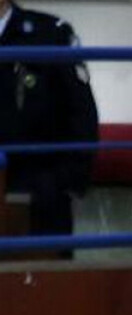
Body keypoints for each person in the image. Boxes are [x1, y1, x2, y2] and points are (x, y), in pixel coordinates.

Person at [0, 0, 99, 258]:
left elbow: (81, 114)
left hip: (38, 192)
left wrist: (61, 183)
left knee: (46, 278)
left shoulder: (49, 34)